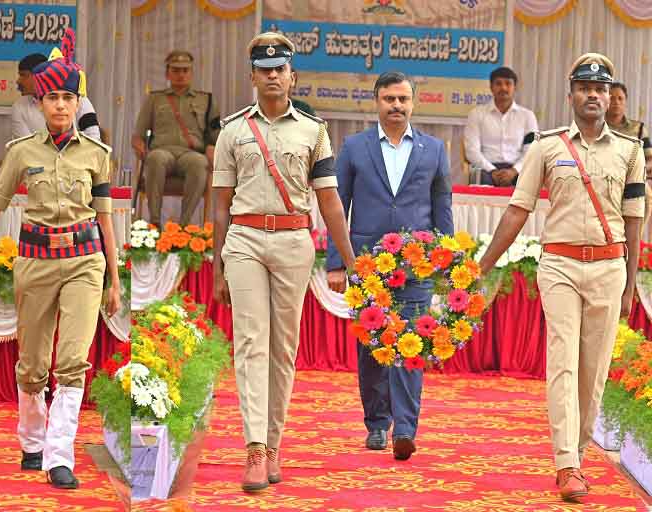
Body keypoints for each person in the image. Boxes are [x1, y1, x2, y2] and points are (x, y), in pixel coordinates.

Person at [0, 29, 122, 490]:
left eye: (66, 98)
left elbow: (106, 220)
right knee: (33, 363)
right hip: (35, 261)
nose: (58, 105)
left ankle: (60, 454)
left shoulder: (97, 156)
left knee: (73, 361)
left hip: (84, 262)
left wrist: (115, 279)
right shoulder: (20, 153)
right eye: (50, 97)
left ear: (78, 104)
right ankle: (33, 440)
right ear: (38, 103)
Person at [477, 53, 645, 503]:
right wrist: (484, 265)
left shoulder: (630, 151)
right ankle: (566, 461)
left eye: (601, 88)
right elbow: (518, 208)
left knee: (593, 374)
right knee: (563, 362)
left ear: (610, 97)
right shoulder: (547, 147)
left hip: (609, 269)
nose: (593, 95)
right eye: (585, 87)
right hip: (560, 267)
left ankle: (579, 449)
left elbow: (634, 220)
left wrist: (631, 285)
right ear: (570, 94)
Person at [211, 32, 356, 492]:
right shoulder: (233, 130)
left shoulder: (313, 131)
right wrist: (217, 266)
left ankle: (274, 446)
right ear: (252, 76)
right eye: (264, 69)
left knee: (283, 350)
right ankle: (254, 449)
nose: (272, 76)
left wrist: (350, 261)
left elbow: (329, 201)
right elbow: (219, 205)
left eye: (280, 69)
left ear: (292, 76)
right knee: (251, 343)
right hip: (245, 239)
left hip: (294, 240)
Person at [325, 71, 454, 462]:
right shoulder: (353, 147)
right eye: (388, 99)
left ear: (413, 103)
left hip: (417, 265)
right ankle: (378, 424)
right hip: (367, 265)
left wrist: (445, 264)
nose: (396, 106)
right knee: (374, 347)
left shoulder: (434, 149)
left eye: (403, 99)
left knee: (412, 343)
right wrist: (336, 263)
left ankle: (406, 428)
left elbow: (442, 207)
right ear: (376, 103)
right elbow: (336, 206)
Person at [133, 50, 220, 226]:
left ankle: (184, 227)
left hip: (191, 153)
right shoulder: (155, 99)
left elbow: (215, 132)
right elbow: (139, 133)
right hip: (163, 151)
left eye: (185, 70)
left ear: (191, 73)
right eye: (176, 70)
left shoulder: (206, 100)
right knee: (156, 158)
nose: (181, 74)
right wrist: (138, 144)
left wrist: (212, 146)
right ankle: (155, 223)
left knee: (199, 162)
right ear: (167, 73)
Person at [464, 66, 539, 187]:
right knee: (479, 179)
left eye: (508, 83)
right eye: (498, 83)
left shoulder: (527, 116)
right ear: (491, 87)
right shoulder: (476, 114)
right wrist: (492, 171)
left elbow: (531, 149)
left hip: (517, 169)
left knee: (529, 181)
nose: (503, 88)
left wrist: (514, 171)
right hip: (486, 169)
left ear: (515, 87)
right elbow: (471, 151)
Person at [11, 53, 101, 140]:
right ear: (40, 104)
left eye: (23, 75)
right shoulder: (19, 106)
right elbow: (25, 148)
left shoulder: (78, 99)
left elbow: (93, 138)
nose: (18, 81)